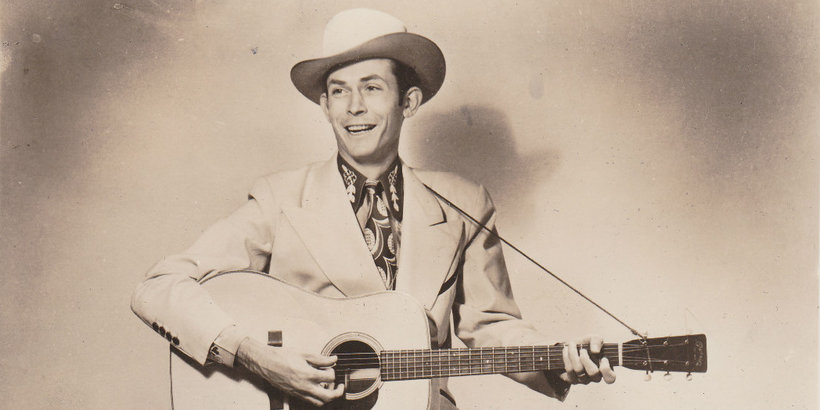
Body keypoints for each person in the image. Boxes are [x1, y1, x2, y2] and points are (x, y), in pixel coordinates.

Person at [131, 8, 615, 409]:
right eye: (339, 90)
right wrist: (254, 355)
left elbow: (491, 327)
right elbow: (159, 287)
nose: (353, 107)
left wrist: (559, 360)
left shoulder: (465, 205)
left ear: (409, 101)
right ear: (325, 106)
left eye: (372, 87)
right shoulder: (281, 199)